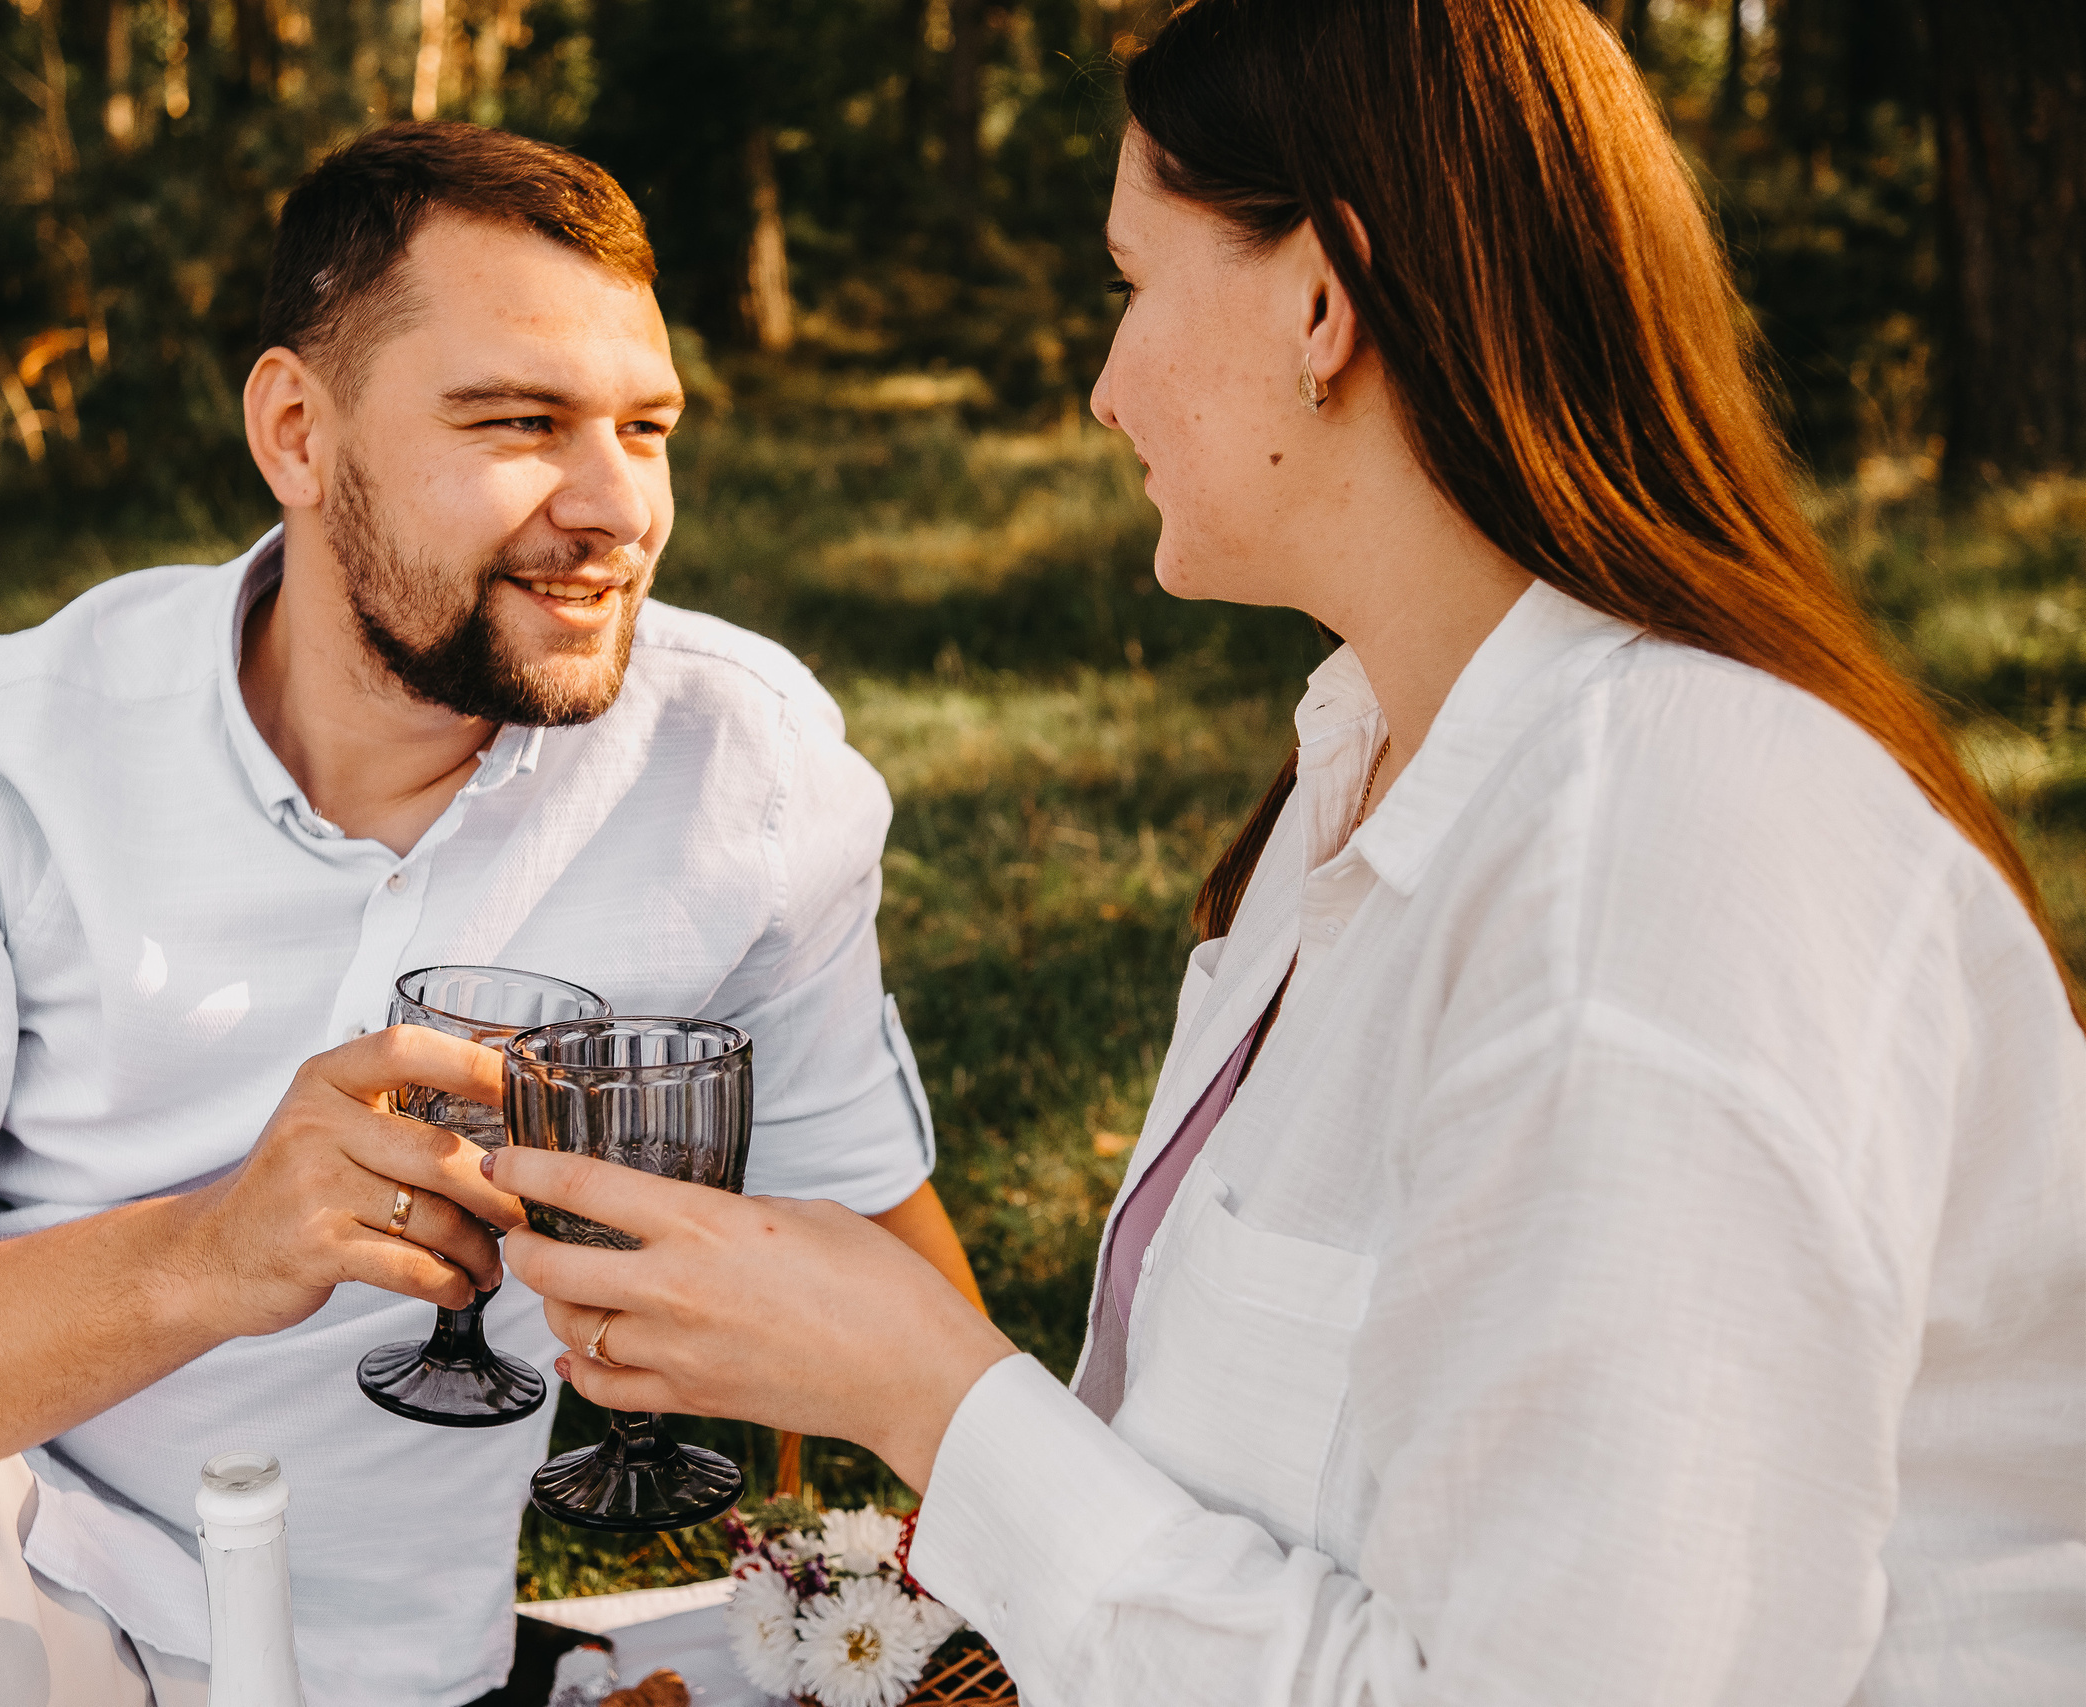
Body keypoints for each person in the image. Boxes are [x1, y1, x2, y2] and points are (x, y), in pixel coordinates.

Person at [490, 2, 2086, 1702]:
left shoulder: (1657, 871)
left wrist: (927, 1392)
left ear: (1323, 299)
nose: (1105, 390)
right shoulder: (1367, 770)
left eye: (1131, 282)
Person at [0, 121, 977, 1707]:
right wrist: (216, 1253)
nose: (617, 504)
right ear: (297, 428)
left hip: (152, 1655)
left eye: (648, 427)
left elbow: (889, 1272)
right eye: (520, 421)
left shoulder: (735, 767)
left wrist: (1023, 1608)